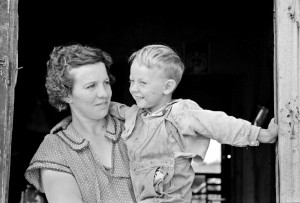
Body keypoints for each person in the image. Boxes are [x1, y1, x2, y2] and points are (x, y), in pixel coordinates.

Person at [52, 44, 278, 203]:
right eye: (132, 81)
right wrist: (73, 118)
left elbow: (221, 124)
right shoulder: (133, 114)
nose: (134, 88)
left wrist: (262, 134)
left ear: (167, 87)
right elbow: (103, 107)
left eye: (142, 82)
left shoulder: (182, 113)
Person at [24, 44, 137, 203]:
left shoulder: (134, 128)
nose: (104, 94)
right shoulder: (55, 150)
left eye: (106, 83)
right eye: (91, 86)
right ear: (66, 94)